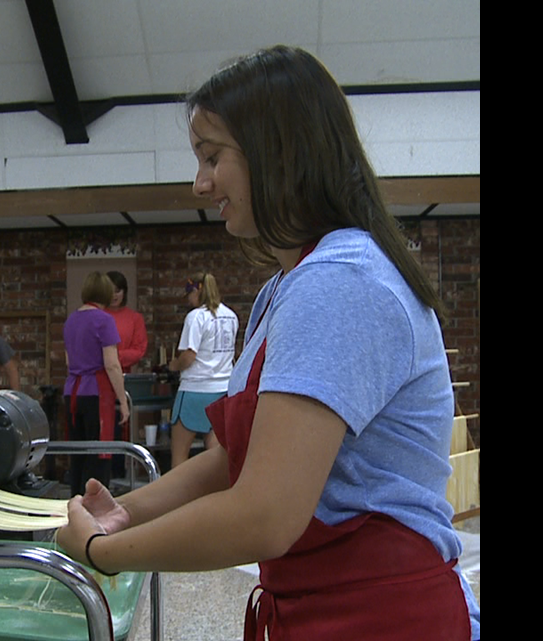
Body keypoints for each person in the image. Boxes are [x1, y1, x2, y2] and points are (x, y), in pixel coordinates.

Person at [56, 46, 479, 640]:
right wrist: (127, 514)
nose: (200, 183)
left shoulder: (341, 280)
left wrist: (105, 552)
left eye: (212, 157)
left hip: (376, 613)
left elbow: (266, 513)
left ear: (278, 151)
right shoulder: (289, 285)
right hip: (318, 603)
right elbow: (235, 463)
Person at [62, 272, 130, 497]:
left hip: (72, 391)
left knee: (78, 454)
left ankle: (76, 503)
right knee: (99, 453)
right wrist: (123, 400)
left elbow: (68, 361)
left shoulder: (71, 319)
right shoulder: (104, 320)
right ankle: (96, 508)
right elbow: (112, 364)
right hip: (96, 393)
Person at [167, 272, 237, 467]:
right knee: (215, 456)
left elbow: (190, 355)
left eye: (188, 294)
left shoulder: (196, 317)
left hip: (195, 389)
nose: (188, 300)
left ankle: (178, 496)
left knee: (179, 455)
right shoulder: (231, 316)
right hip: (223, 389)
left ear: (197, 290)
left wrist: (174, 365)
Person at [104, 271, 147, 476]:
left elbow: (139, 350)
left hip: (124, 379)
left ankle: (120, 473)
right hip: (100, 380)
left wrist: (112, 356)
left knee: (122, 427)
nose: (114, 295)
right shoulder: (98, 316)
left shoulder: (134, 318)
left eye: (118, 291)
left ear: (124, 292)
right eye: (110, 291)